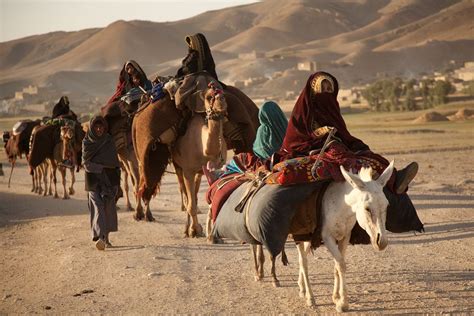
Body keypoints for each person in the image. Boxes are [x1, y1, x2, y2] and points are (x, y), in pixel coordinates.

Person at [277, 71, 418, 194]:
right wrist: (321, 131)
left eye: (328, 89)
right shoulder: (303, 111)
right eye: (322, 89)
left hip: (334, 142)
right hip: (310, 147)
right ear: (314, 90)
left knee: (365, 151)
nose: (326, 93)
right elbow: (296, 136)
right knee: (340, 153)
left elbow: (342, 132)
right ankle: (369, 175)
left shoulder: (331, 109)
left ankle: (395, 178)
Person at [204, 100, 288, 183]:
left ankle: (219, 173)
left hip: (267, 163)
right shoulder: (286, 127)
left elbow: (258, 149)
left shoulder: (263, 129)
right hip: (285, 159)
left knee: (241, 158)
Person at [83, 116, 121, 250]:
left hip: (110, 180)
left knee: (108, 208)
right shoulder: (87, 142)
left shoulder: (109, 141)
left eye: (101, 127)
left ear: (104, 127)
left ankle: (106, 238)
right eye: (96, 127)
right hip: (93, 180)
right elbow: (86, 164)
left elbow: (115, 163)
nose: (99, 129)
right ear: (92, 128)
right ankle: (100, 237)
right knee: (98, 207)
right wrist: (102, 167)